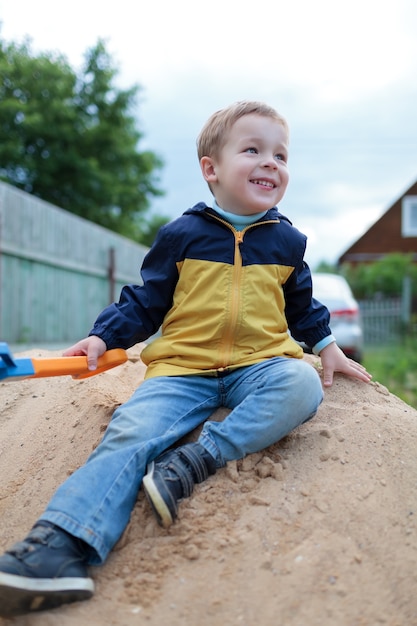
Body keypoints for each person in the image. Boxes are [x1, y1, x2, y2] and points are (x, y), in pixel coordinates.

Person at [0, 100, 372, 617]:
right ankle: (59, 546)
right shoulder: (182, 235)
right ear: (210, 169)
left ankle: (197, 459)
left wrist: (328, 347)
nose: (271, 162)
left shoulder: (288, 241)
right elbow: (145, 300)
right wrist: (102, 338)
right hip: (182, 371)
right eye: (253, 150)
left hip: (258, 365)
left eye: (281, 155)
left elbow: (303, 307)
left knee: (301, 386)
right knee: (130, 432)